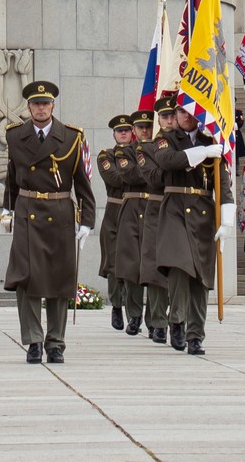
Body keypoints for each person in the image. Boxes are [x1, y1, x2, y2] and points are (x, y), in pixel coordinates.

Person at [0, 80, 95, 364]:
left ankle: (55, 342)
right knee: (25, 279)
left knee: (58, 279)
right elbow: (11, 175)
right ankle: (33, 340)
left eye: (45, 103)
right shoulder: (15, 136)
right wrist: (8, 209)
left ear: (53, 106)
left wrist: (87, 222)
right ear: (28, 107)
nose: (41, 108)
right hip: (28, 209)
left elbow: (83, 183)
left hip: (60, 212)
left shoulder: (72, 136)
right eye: (35, 104)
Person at [147, 97, 233, 354]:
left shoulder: (212, 141)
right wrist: (200, 154)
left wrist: (227, 216)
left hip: (203, 212)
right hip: (174, 208)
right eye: (181, 111)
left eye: (190, 111)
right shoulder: (166, 138)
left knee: (201, 277)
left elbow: (223, 182)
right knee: (179, 265)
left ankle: (195, 335)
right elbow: (166, 160)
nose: (186, 116)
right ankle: (177, 319)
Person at [97, 115, 135, 329]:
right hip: (115, 210)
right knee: (113, 264)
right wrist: (135, 175)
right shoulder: (106, 155)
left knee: (133, 263)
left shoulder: (140, 154)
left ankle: (134, 312)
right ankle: (116, 306)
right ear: (113, 134)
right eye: (119, 130)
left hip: (136, 211)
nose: (123, 133)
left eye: (127, 130)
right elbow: (113, 177)